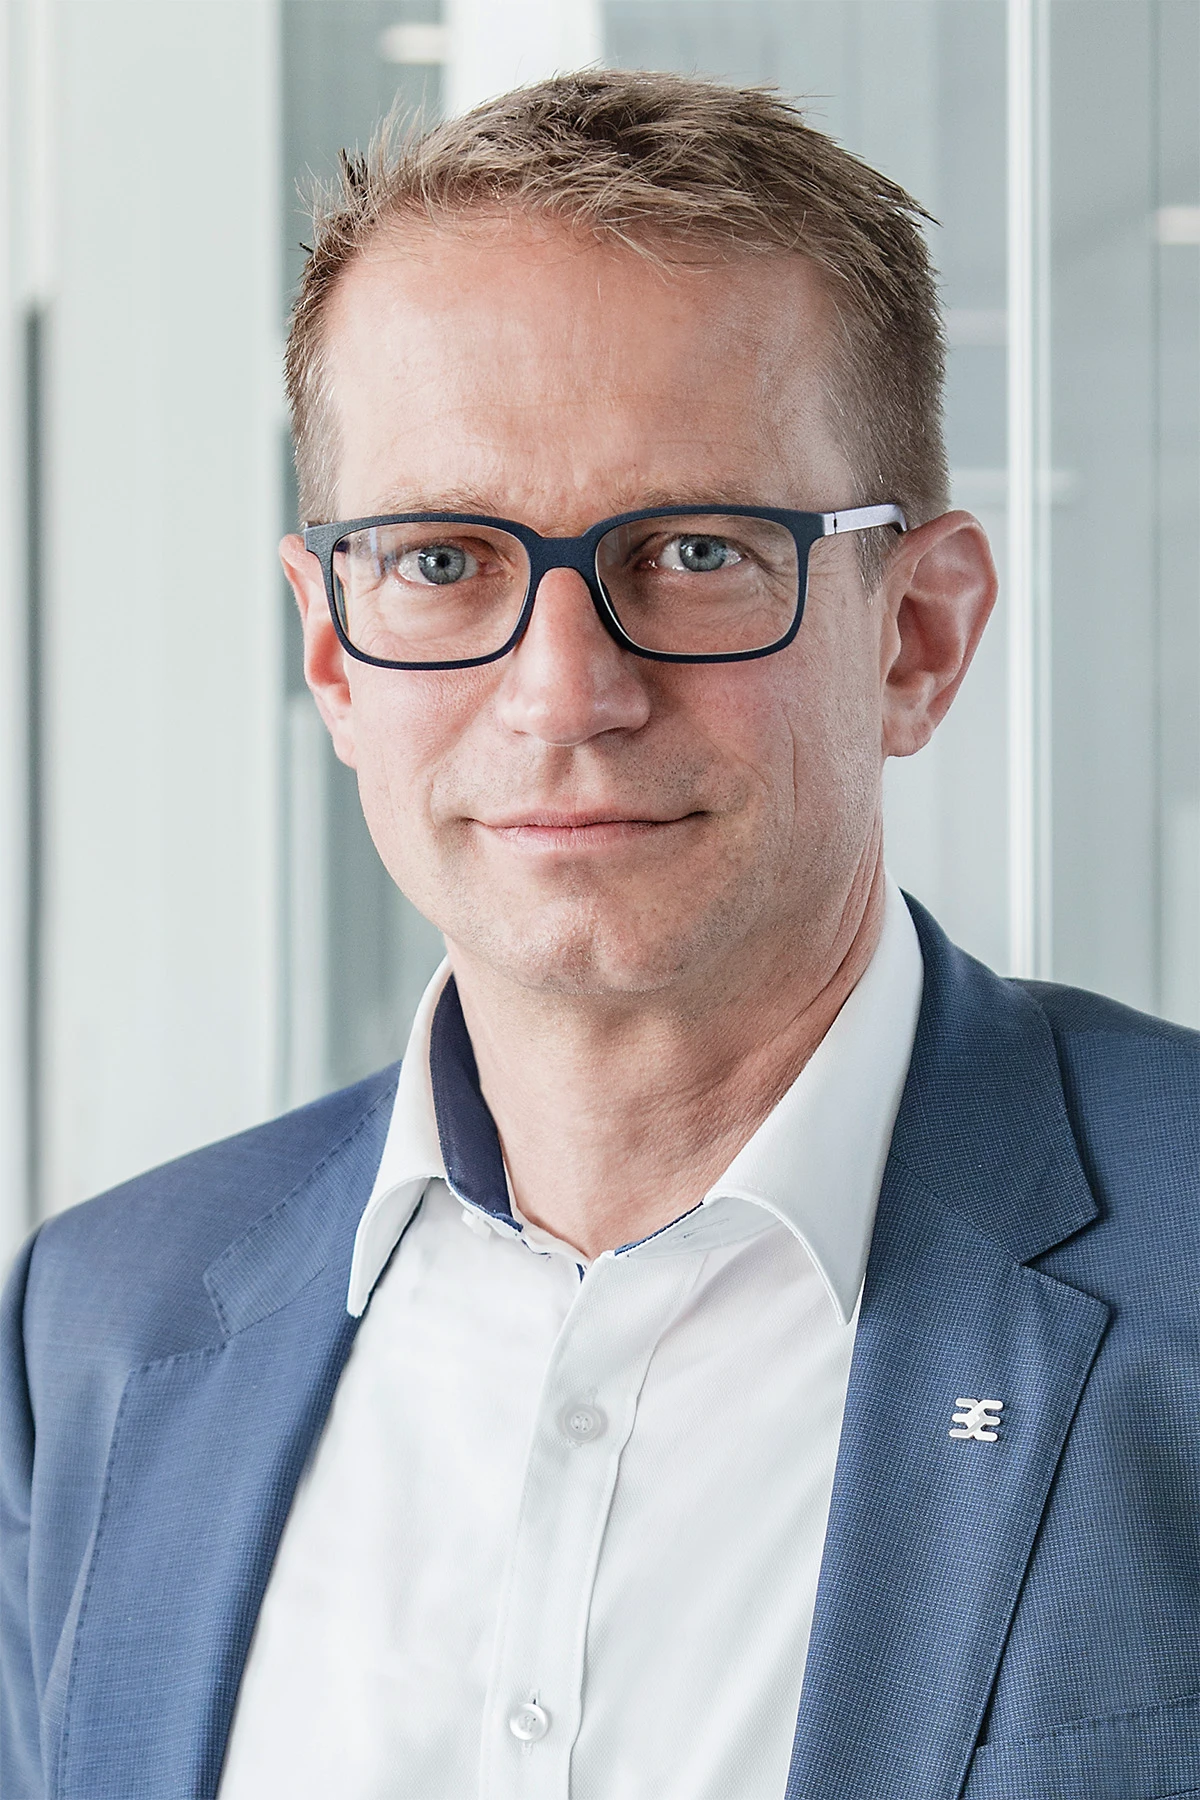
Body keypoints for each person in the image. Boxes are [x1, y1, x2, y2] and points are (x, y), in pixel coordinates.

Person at [2, 69, 1197, 1800]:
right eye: (441, 564)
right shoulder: (100, 1329)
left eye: (697, 550)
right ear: (332, 653)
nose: (565, 693)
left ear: (919, 637)